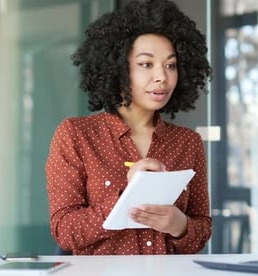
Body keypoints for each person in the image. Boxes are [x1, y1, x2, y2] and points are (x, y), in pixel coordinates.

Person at [45, 0, 212, 255]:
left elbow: (201, 229)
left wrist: (181, 226)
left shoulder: (188, 143)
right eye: (146, 64)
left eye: (171, 65)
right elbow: (65, 232)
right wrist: (126, 195)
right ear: (118, 68)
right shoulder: (75, 135)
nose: (162, 77)